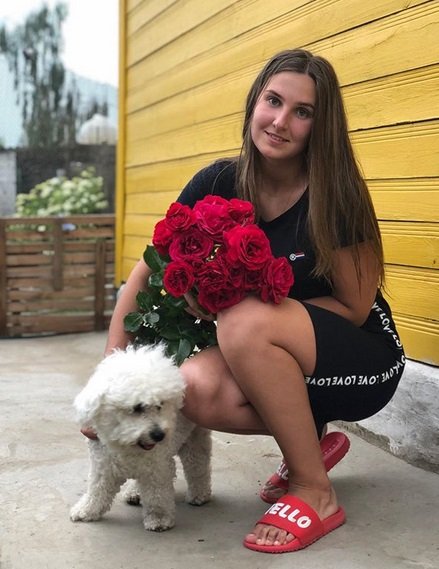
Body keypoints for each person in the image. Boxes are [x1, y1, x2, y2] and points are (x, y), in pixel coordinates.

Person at [91, 49, 405, 553]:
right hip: (281, 353)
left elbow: (356, 308)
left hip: (363, 360)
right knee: (191, 388)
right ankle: (310, 442)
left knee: (241, 321)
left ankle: (313, 489)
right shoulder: (218, 181)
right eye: (273, 101)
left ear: (320, 127)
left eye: (303, 112)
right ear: (254, 103)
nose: (281, 121)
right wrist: (106, 380)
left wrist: (258, 312)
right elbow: (144, 274)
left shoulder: (337, 195)